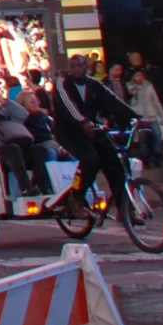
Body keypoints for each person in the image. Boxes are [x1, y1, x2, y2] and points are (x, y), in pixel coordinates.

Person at [50, 55, 137, 213]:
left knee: (115, 164)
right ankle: (76, 195)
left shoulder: (94, 84)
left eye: (81, 66)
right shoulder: (61, 83)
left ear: (86, 68)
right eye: (74, 66)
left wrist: (136, 118)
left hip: (92, 129)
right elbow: (69, 106)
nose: (77, 69)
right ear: (70, 68)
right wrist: (83, 121)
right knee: (90, 159)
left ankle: (125, 210)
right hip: (69, 132)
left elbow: (113, 102)